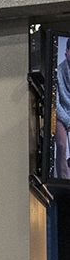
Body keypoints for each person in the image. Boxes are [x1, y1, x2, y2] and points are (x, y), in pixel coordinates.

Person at [55, 38, 70, 179]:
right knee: (61, 145)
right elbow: (55, 102)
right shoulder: (58, 72)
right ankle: (63, 181)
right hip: (61, 114)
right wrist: (67, 121)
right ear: (66, 52)